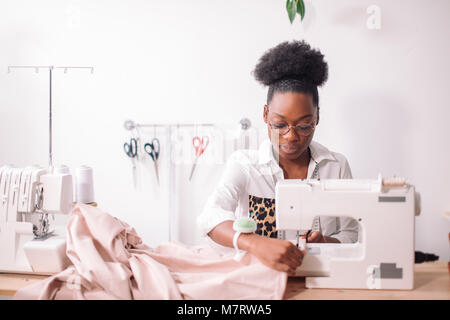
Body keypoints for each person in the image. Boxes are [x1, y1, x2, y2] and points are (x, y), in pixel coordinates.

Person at [197, 40, 358, 275]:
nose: (291, 136)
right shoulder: (245, 165)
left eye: (304, 126)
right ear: (265, 115)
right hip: (259, 280)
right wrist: (254, 242)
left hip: (319, 279)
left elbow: (351, 234)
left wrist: (327, 243)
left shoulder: (336, 166)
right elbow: (209, 217)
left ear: (317, 118)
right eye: (279, 124)